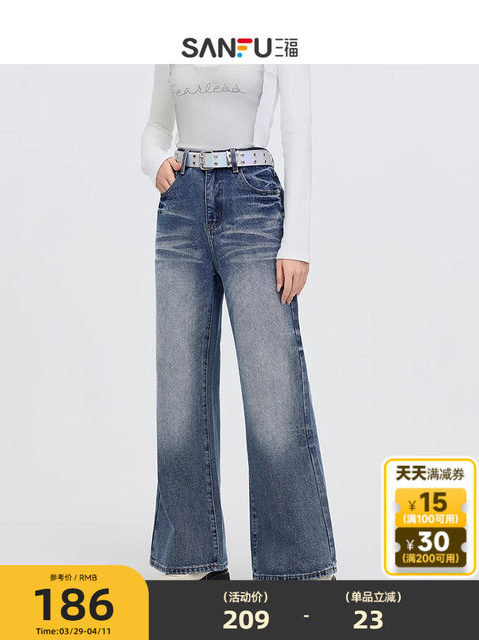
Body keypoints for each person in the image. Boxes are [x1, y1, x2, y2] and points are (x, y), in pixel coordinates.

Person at [141, 63, 337, 581]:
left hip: (253, 201)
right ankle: (194, 563)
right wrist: (154, 160)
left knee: (274, 394)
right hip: (180, 207)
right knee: (179, 392)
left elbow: (297, 132)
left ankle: (298, 570)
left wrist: (297, 241)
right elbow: (156, 127)